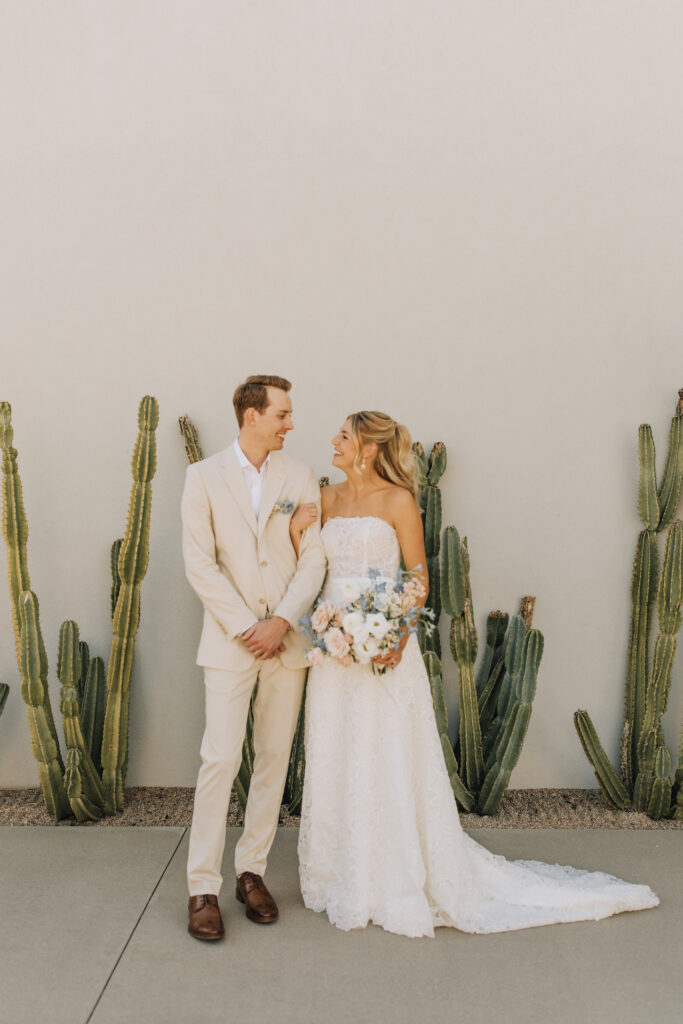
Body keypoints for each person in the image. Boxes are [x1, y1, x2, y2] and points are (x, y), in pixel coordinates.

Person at [291, 410, 660, 938]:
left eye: (343, 436)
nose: (333, 441)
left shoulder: (399, 502)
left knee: (387, 752)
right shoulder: (325, 499)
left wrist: (395, 638)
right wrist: (292, 528)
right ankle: (342, 873)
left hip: (385, 645)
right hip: (333, 649)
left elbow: (418, 578)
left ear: (367, 448)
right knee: (338, 750)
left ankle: (394, 875)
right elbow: (304, 561)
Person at [181, 374, 326, 941]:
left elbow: (312, 559)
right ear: (251, 417)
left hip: (285, 641)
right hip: (230, 642)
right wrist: (248, 627)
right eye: (282, 415)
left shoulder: (299, 475)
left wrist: (281, 622)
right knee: (220, 759)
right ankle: (200, 887)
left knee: (272, 759)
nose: (290, 424)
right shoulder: (202, 477)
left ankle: (252, 871)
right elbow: (200, 564)